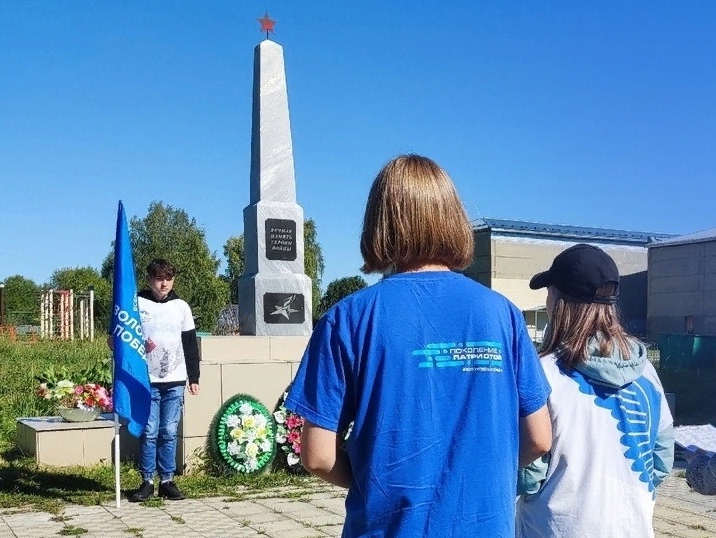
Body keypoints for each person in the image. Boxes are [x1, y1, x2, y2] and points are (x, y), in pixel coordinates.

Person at [285, 154, 552, 537]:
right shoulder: (502, 315)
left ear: (380, 222)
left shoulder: (347, 319)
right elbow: (539, 437)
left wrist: (377, 483)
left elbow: (317, 455)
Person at [516, 244, 675, 537]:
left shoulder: (543, 373)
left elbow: (529, 474)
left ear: (560, 302)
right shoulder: (647, 373)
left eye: (549, 292)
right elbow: (662, 457)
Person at [128, 258, 200, 502]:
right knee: (148, 432)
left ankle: (167, 480)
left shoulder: (181, 307)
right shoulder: (136, 303)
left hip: (175, 379)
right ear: (149, 280)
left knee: (168, 432)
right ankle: (147, 480)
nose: (163, 284)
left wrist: (194, 376)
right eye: (159, 279)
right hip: (145, 380)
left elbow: (190, 344)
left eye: (168, 279)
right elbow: (124, 334)